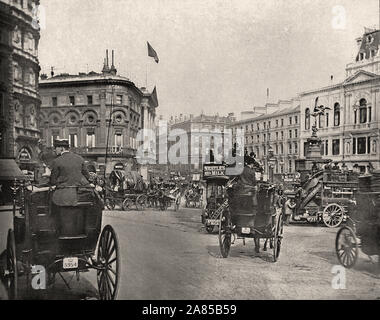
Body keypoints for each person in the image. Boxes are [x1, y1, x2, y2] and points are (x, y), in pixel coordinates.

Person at [50, 139, 92, 206]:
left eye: (56, 148)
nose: (55, 150)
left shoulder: (56, 161)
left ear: (62, 148)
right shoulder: (80, 158)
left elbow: (53, 181)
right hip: (79, 196)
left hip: (63, 197)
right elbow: (87, 176)